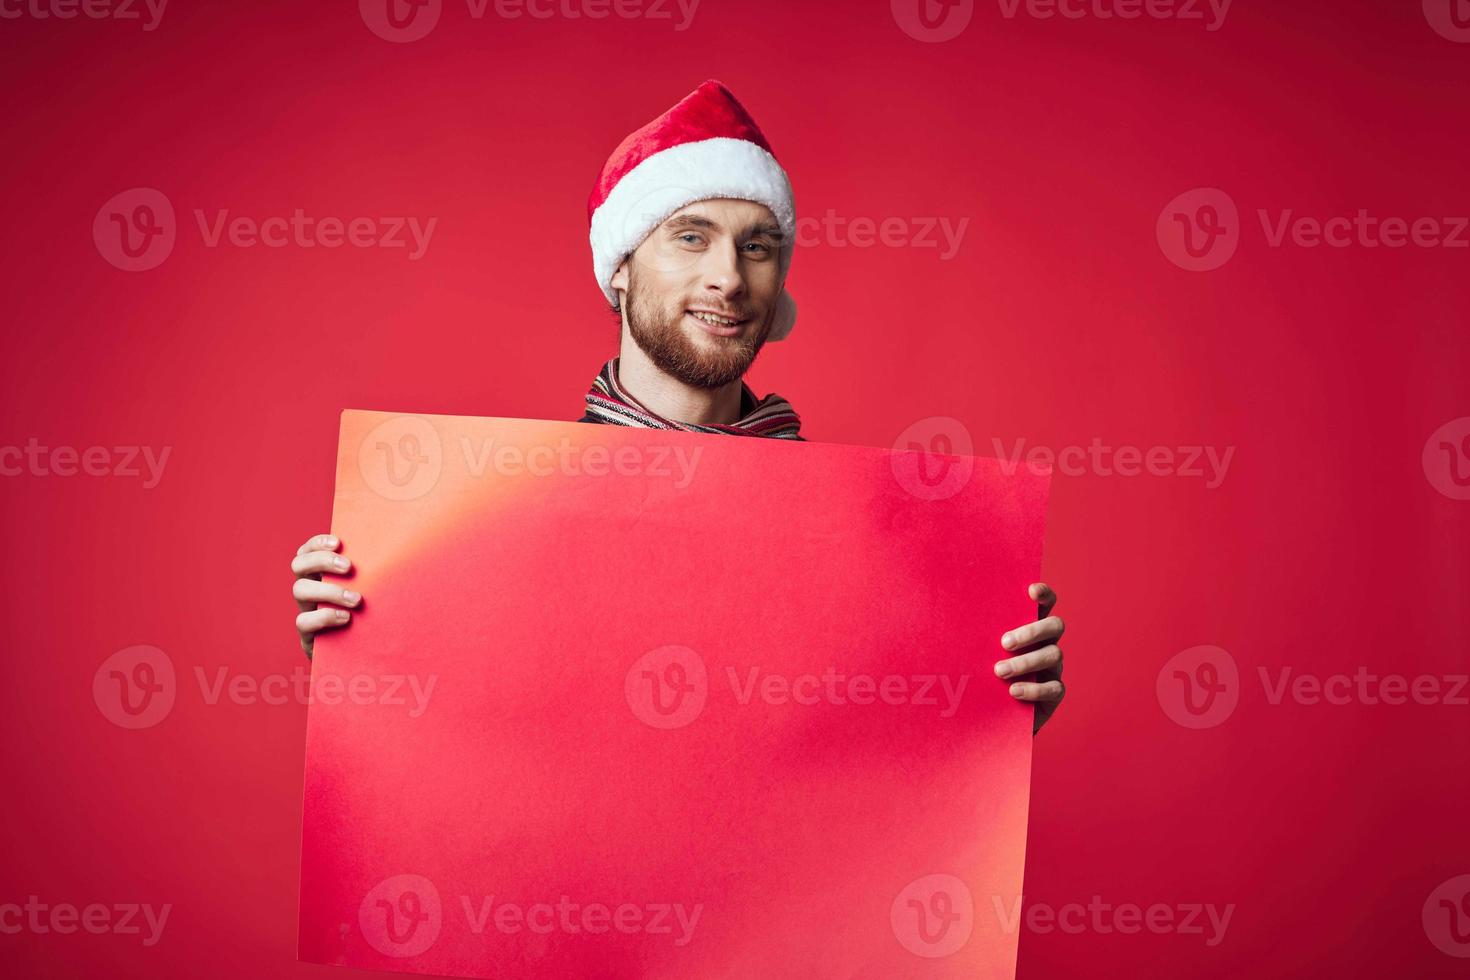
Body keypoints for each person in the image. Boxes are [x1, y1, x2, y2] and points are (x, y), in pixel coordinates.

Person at [290, 80, 1067, 733]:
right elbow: (463, 744)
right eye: (690, 238)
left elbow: (875, 761)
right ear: (621, 268)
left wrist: (994, 714)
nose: (728, 276)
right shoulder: (480, 526)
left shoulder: (877, 542)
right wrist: (361, 643)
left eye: (756, 246)